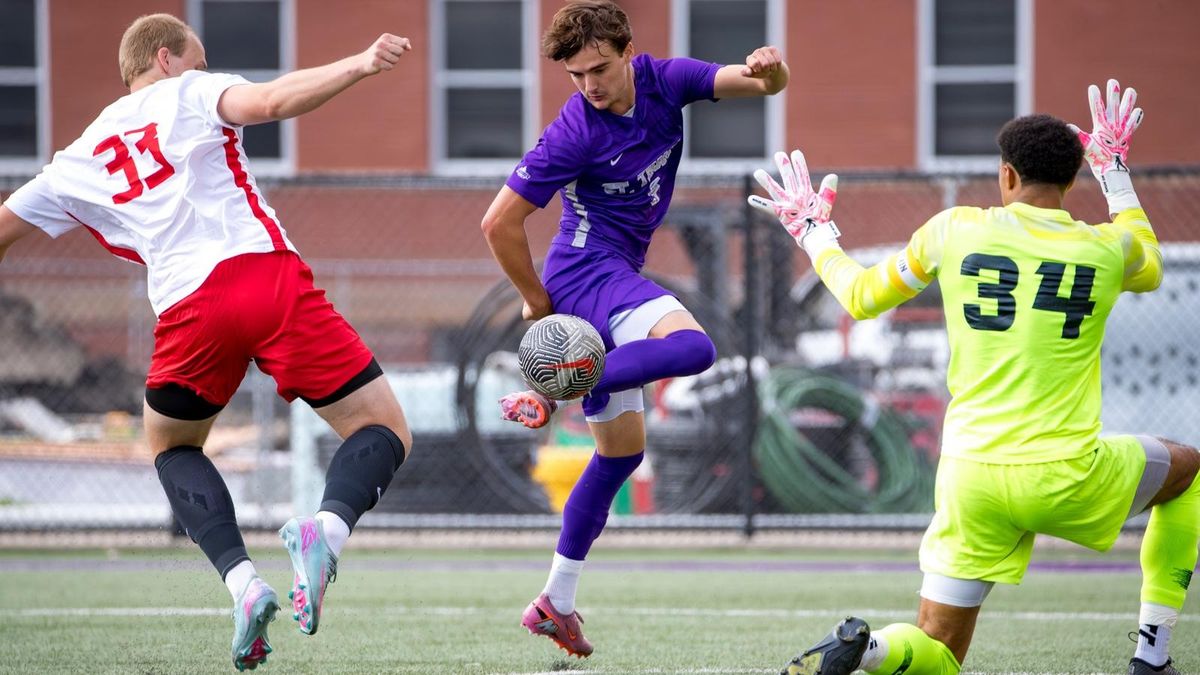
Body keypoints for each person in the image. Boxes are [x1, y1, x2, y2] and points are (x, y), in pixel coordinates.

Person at [0, 14, 415, 671]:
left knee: (171, 445)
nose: (205, 70)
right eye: (199, 61)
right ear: (165, 59)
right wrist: (358, 64)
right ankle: (326, 531)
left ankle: (243, 583)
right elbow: (271, 101)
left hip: (189, 308)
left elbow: (3, 229)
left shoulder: (79, 157)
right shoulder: (189, 90)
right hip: (263, 277)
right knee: (382, 427)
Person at [750, 80, 1198, 675]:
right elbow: (1152, 263)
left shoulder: (954, 229)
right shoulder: (1107, 248)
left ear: (1006, 175)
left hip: (972, 477)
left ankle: (870, 647)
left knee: (937, 648)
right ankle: (1152, 655)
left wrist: (814, 232)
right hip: (1066, 474)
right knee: (1189, 470)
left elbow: (859, 297)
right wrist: (1114, 173)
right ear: (1072, 180)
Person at [480, 0, 788, 658]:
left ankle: (556, 601)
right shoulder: (574, 131)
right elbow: (498, 222)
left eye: (598, 68)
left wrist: (772, 68)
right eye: (575, 75)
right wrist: (536, 302)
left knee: (621, 456)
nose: (588, 84)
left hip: (613, 272)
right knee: (695, 347)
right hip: (588, 274)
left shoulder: (665, 81)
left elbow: (762, 85)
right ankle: (552, 388)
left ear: (627, 52)